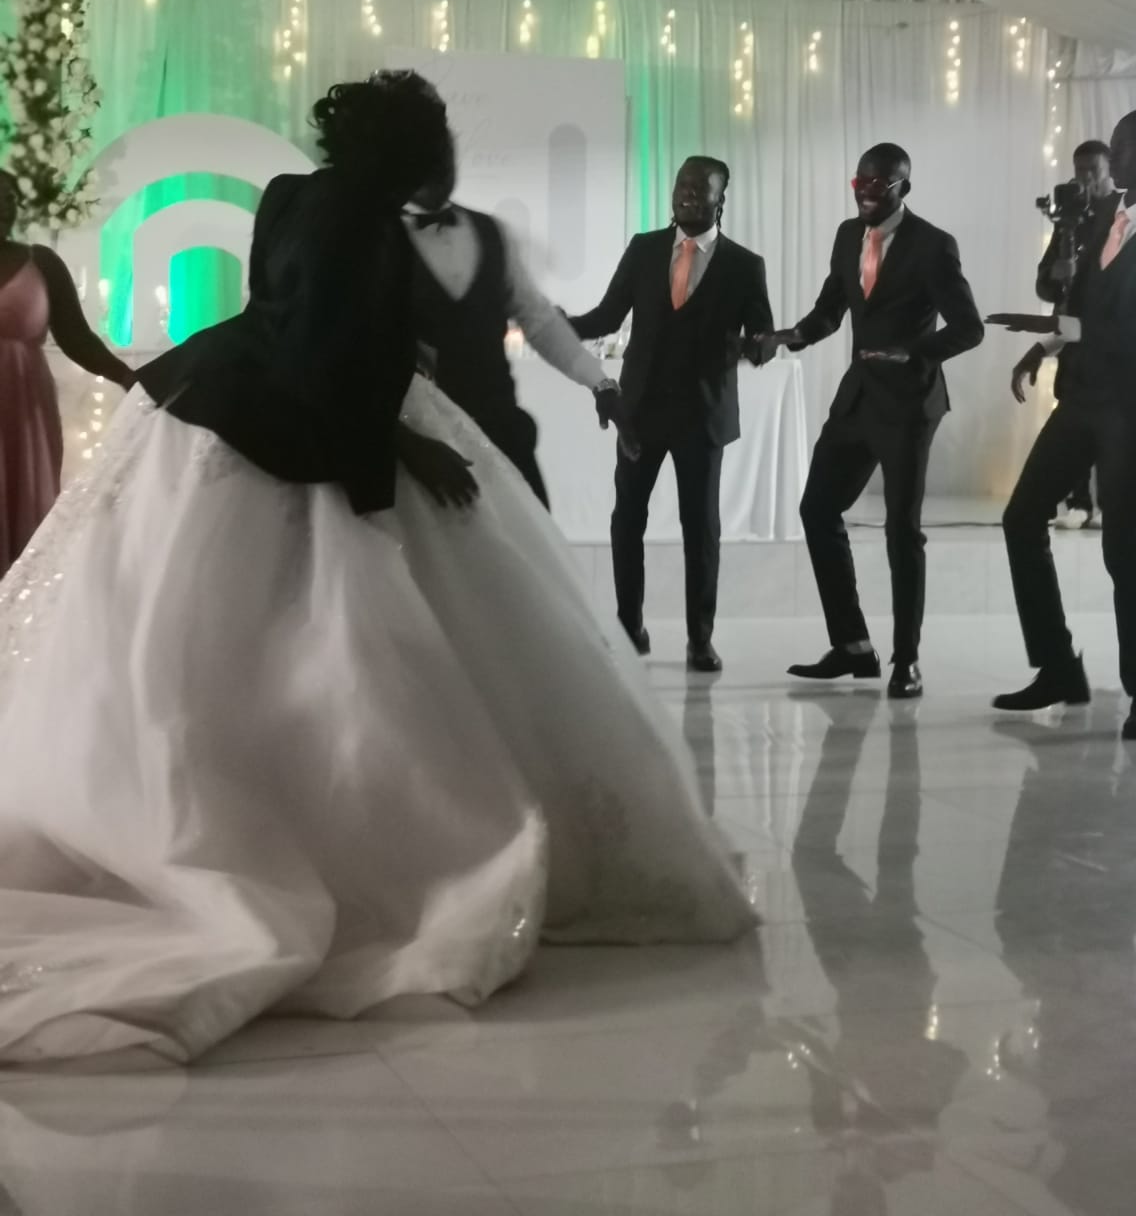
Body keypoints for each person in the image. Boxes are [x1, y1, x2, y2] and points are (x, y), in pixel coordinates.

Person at [0, 73, 753, 1067]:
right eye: (437, 140)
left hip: (235, 391)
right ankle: (363, 854)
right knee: (350, 656)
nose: (447, 158)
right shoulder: (363, 227)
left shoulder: (291, 197)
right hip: (310, 427)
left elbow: (302, 322)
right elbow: (325, 361)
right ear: (409, 153)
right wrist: (399, 453)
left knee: (207, 650)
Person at [990, 106, 1136, 740]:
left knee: (1120, 541)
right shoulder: (1100, 214)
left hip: (1135, 401)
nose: (1113, 155)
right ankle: (1058, 667)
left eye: (1123, 146)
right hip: (1083, 393)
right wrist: (1043, 345)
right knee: (1022, 518)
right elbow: (1077, 302)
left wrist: (1057, 327)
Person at [761, 144, 984, 700]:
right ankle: (853, 645)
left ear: (903, 188)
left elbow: (969, 328)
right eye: (859, 182)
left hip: (909, 405)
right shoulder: (847, 235)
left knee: (900, 530)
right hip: (858, 398)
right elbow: (830, 310)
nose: (865, 192)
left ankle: (907, 661)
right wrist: (787, 337)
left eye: (878, 184)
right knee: (818, 509)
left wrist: (914, 352)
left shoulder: (933, 245)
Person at [569, 157, 775, 673]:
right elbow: (606, 316)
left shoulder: (745, 265)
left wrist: (759, 346)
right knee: (626, 521)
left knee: (700, 530)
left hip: (702, 417)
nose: (687, 195)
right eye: (683, 185)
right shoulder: (643, 248)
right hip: (639, 412)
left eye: (700, 189)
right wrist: (557, 325)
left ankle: (699, 639)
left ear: (720, 200)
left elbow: (762, 339)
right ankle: (629, 629)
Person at [400, 92, 632, 505]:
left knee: (534, 541)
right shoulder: (377, 239)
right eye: (426, 153)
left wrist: (600, 383)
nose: (439, 164)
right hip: (422, 441)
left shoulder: (491, 232)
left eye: (444, 150)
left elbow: (538, 320)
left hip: (501, 430)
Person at [0, 169, 133, 580]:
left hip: (25, 412)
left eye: (9, 198)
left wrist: (128, 377)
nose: (4, 206)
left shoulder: (42, 263)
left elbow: (77, 337)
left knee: (28, 512)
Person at [1035, 140, 1116, 530]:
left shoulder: (1123, 212)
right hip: (1070, 334)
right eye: (1078, 170)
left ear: (1109, 169)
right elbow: (1044, 285)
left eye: (1092, 170)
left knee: (1111, 422)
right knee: (1071, 414)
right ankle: (1079, 502)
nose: (1084, 178)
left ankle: (1110, 503)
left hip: (1112, 337)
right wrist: (1057, 273)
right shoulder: (1070, 217)